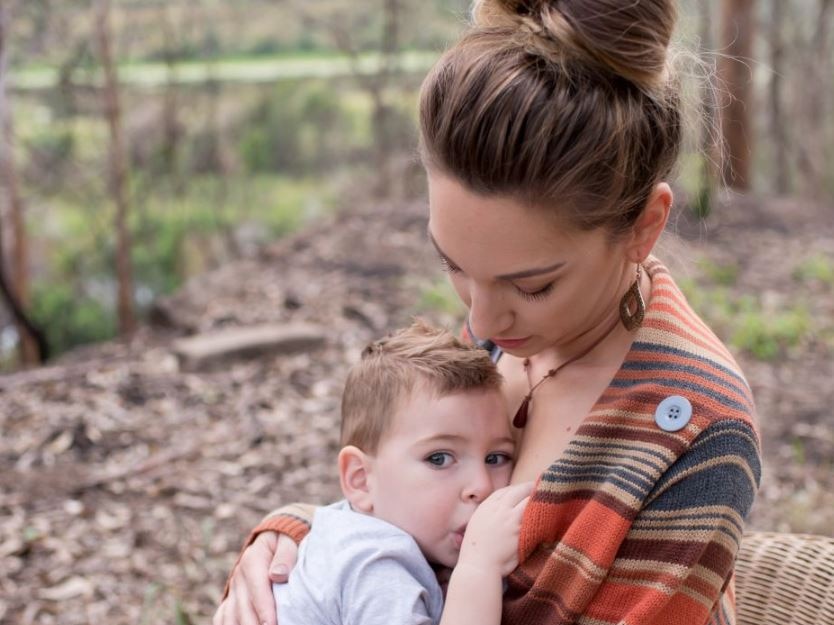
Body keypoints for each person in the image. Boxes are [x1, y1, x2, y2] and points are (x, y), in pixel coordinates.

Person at [215, 1, 762, 624]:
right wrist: (300, 542)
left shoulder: (695, 431)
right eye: (453, 265)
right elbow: (413, 498)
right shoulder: (505, 340)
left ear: (644, 227)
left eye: (532, 286)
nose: (481, 322)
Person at [270, 320, 531, 625]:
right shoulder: (375, 564)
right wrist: (479, 569)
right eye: (439, 458)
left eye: (496, 457)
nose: (482, 486)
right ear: (361, 480)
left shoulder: (344, 534)